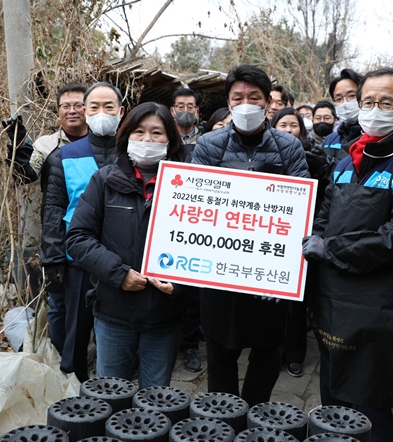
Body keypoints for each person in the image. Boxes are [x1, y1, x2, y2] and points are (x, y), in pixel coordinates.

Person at [303, 68, 393, 442]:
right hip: (332, 299)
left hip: (378, 305)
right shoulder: (348, 161)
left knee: (369, 406)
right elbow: (325, 215)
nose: (374, 110)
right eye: (368, 102)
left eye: (386, 103)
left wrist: (329, 249)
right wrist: (313, 237)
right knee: (331, 395)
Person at [191, 64, 310, 407]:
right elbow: (197, 201)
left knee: (268, 354)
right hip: (220, 273)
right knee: (220, 354)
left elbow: (301, 206)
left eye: (253, 97)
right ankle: (223, 416)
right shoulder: (209, 144)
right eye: (238, 97)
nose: (246, 103)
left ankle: (255, 416)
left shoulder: (288, 147)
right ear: (228, 102)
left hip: (269, 275)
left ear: (267, 102)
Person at [65, 102, 188, 389]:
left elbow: (205, 248)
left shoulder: (190, 188)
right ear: (126, 136)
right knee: (110, 393)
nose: (147, 140)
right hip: (113, 313)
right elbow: (78, 238)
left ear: (170, 140)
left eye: (157, 133)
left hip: (164, 316)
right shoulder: (104, 180)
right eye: (139, 131)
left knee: (156, 399)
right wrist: (119, 274)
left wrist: (180, 284)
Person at [42, 82, 125, 382]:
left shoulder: (132, 152)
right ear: (85, 112)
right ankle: (74, 390)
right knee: (75, 331)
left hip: (123, 260)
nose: (102, 113)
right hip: (77, 259)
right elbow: (53, 209)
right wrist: (52, 259)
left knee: (120, 333)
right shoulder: (64, 156)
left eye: (109, 107)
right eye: (94, 107)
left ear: (121, 111)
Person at [1, 83, 88, 354]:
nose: (72, 111)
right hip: (58, 232)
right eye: (66, 106)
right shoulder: (47, 145)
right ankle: (64, 361)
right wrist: (18, 148)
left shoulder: (104, 141)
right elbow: (26, 175)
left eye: (78, 105)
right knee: (59, 302)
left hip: (99, 232)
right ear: (58, 111)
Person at [271, 107, 334, 379]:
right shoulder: (264, 155)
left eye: (293, 125)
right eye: (282, 124)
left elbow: (325, 201)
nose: (288, 129)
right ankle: (271, 352)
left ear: (301, 129)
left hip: (300, 236)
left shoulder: (315, 158)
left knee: (296, 302)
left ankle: (295, 356)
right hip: (267, 236)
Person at [322, 69, 363, 159]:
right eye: (339, 99)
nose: (345, 103)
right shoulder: (329, 140)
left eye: (352, 96)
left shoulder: (374, 139)